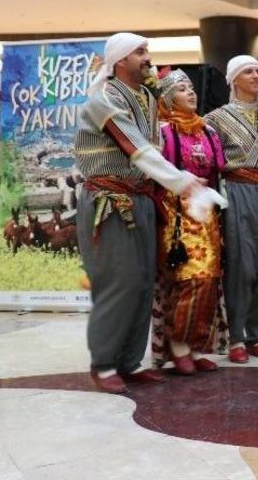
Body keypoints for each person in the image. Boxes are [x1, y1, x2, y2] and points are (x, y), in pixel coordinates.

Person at [74, 33, 210, 393]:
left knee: (142, 283)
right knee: (119, 285)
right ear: (120, 61)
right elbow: (138, 151)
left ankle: (129, 362)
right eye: (140, 52)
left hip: (141, 200)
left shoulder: (147, 98)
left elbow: (155, 153)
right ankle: (104, 364)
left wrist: (174, 185)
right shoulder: (101, 99)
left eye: (147, 50)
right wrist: (182, 182)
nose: (147, 57)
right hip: (110, 201)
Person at [205, 55, 258, 364]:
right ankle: (236, 336)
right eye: (248, 71)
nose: (255, 76)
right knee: (242, 264)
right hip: (235, 192)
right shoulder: (215, 119)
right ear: (234, 79)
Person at [151, 68, 227, 375]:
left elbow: (218, 170)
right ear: (168, 99)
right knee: (186, 279)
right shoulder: (163, 132)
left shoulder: (208, 132)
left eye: (192, 88)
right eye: (182, 89)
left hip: (205, 210)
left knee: (209, 278)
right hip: (176, 213)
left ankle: (197, 347)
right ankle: (177, 345)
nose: (191, 93)